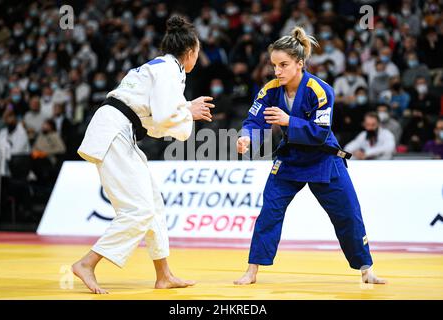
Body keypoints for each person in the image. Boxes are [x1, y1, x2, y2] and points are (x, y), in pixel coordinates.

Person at [72, 16, 214, 294]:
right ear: (190, 52)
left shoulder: (159, 68)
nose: (198, 57)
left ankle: (164, 274)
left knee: (153, 204)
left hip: (119, 130)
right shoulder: (170, 71)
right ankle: (87, 263)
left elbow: (154, 123)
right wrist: (188, 111)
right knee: (138, 210)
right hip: (115, 132)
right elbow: (163, 118)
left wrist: (184, 108)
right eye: (198, 52)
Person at [234, 27, 386, 286]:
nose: (277, 71)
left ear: (299, 64)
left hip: (324, 159)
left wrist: (287, 120)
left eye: (283, 65)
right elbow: (254, 120)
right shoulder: (270, 90)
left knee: (348, 213)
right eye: (274, 65)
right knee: (269, 212)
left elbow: (319, 132)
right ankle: (252, 271)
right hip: (290, 159)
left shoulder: (320, 89)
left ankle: (366, 269)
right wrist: (247, 136)